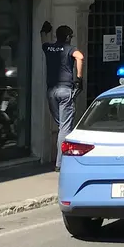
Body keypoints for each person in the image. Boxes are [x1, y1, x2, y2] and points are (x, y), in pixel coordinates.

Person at [40, 22, 84, 171]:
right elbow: (80, 57)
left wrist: (43, 32)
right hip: (65, 90)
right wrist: (79, 78)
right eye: (70, 36)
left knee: (61, 126)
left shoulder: (49, 48)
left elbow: (43, 42)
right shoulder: (69, 48)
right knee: (65, 129)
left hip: (51, 91)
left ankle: (62, 159)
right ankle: (61, 163)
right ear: (67, 37)